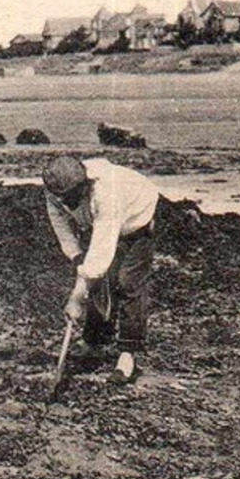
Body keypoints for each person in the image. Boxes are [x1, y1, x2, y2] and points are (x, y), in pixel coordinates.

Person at [42, 156, 159, 385]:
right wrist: (76, 255)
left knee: (127, 282)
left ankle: (128, 355)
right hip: (99, 222)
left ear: (85, 183)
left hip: (137, 217)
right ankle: (94, 341)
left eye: (73, 195)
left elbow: (101, 253)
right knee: (97, 280)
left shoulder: (107, 193)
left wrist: (76, 298)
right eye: (63, 197)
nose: (68, 202)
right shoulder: (55, 189)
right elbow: (60, 222)